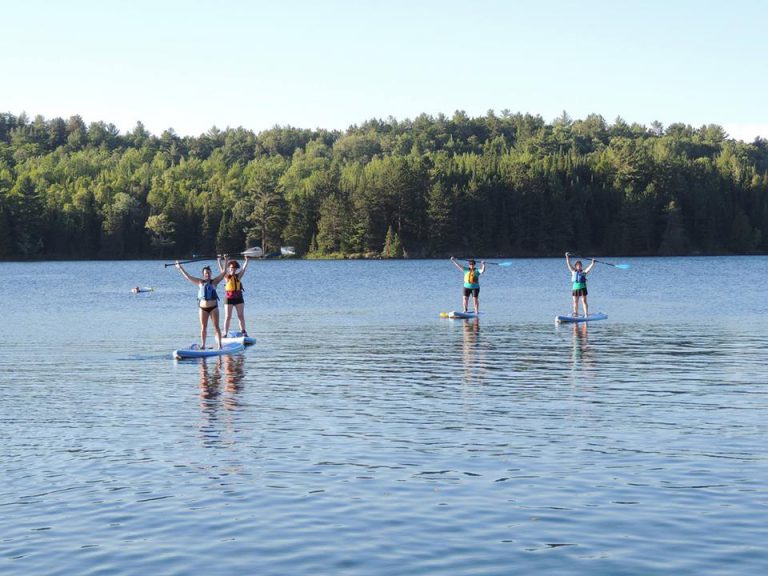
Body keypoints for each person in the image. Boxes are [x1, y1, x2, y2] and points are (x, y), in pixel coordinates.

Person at [175, 261, 226, 350]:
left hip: (214, 308)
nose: (208, 275)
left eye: (209, 273)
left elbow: (224, 273)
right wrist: (180, 267)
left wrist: (226, 260)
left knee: (216, 326)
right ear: (203, 274)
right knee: (203, 327)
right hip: (203, 308)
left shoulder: (215, 282)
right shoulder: (200, 282)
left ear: (211, 274)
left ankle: (220, 345)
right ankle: (203, 345)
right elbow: (188, 276)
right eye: (206, 273)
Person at [217, 254, 251, 337]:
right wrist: (221, 260)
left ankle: (243, 331)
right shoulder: (226, 276)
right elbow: (222, 269)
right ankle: (225, 332)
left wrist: (246, 260)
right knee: (228, 316)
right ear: (229, 269)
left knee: (241, 316)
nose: (233, 269)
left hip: (239, 298)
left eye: (234, 268)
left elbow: (243, 269)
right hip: (229, 298)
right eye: (231, 268)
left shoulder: (238, 276)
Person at [565, 252, 596, 317]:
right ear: (576, 266)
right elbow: (568, 264)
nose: (578, 266)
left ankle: (586, 314)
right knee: (575, 302)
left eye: (580, 265)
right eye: (577, 265)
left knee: (584, 301)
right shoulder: (573, 271)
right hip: (575, 288)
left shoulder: (584, 272)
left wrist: (592, 263)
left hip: (582, 288)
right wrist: (567, 257)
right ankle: (575, 314)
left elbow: (589, 268)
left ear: (581, 266)